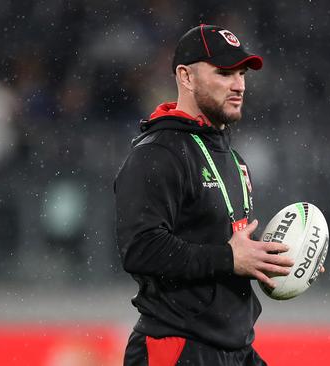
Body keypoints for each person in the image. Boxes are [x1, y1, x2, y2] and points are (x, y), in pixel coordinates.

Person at [114, 24, 294, 366]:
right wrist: (228, 259)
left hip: (235, 348)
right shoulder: (157, 153)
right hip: (177, 347)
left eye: (242, 73)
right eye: (224, 73)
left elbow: (231, 250)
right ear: (186, 77)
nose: (239, 84)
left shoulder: (234, 158)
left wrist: (285, 261)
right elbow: (140, 248)